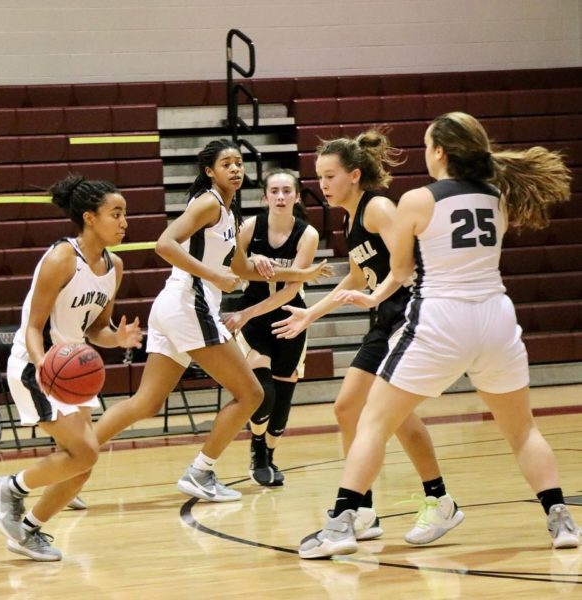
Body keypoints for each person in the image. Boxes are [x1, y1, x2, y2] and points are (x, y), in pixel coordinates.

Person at [298, 112, 580, 559]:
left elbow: (402, 270)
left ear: (440, 152)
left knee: (372, 420)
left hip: (442, 319)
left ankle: (340, 524)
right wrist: (372, 301)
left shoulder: (416, 200)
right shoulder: (497, 195)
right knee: (523, 429)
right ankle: (560, 517)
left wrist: (373, 299)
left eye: (429, 145)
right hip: (496, 317)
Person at [88, 139, 329, 505]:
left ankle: (69, 462)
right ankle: (201, 471)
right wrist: (213, 279)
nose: (235, 168)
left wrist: (301, 272)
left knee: (145, 403)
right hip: (189, 304)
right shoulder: (207, 203)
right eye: (226, 163)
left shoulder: (229, 215)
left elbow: (241, 268)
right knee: (252, 393)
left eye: (239, 162)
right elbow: (165, 244)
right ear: (209, 171)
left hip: (174, 306)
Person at [274, 131, 460, 545]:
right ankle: (366, 510)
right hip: (383, 319)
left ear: (354, 175)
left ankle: (435, 500)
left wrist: (376, 296)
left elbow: (407, 265)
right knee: (349, 410)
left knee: (382, 413)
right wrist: (311, 313)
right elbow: (358, 277)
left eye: (330, 176)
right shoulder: (350, 216)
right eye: (319, 177)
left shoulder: (377, 208)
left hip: (407, 313)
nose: (322, 184)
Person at [0, 175, 143, 562]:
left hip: (72, 368)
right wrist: (43, 365)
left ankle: (27, 531)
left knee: (81, 466)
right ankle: (11, 488)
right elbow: (33, 327)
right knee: (85, 452)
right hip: (36, 364)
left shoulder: (114, 266)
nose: (124, 222)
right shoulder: (61, 258)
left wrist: (117, 339)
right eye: (116, 214)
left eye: (125, 214)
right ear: (90, 218)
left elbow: (96, 330)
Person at [221, 169, 320, 487]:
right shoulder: (251, 227)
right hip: (256, 321)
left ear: (296, 197)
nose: (280, 196)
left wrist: (247, 311)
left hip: (290, 316)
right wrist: (255, 260)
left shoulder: (307, 235)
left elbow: (291, 289)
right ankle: (257, 448)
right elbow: (233, 268)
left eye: (286, 191)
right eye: (274, 191)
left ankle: (267, 452)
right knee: (263, 389)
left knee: (284, 391)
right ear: (264, 197)